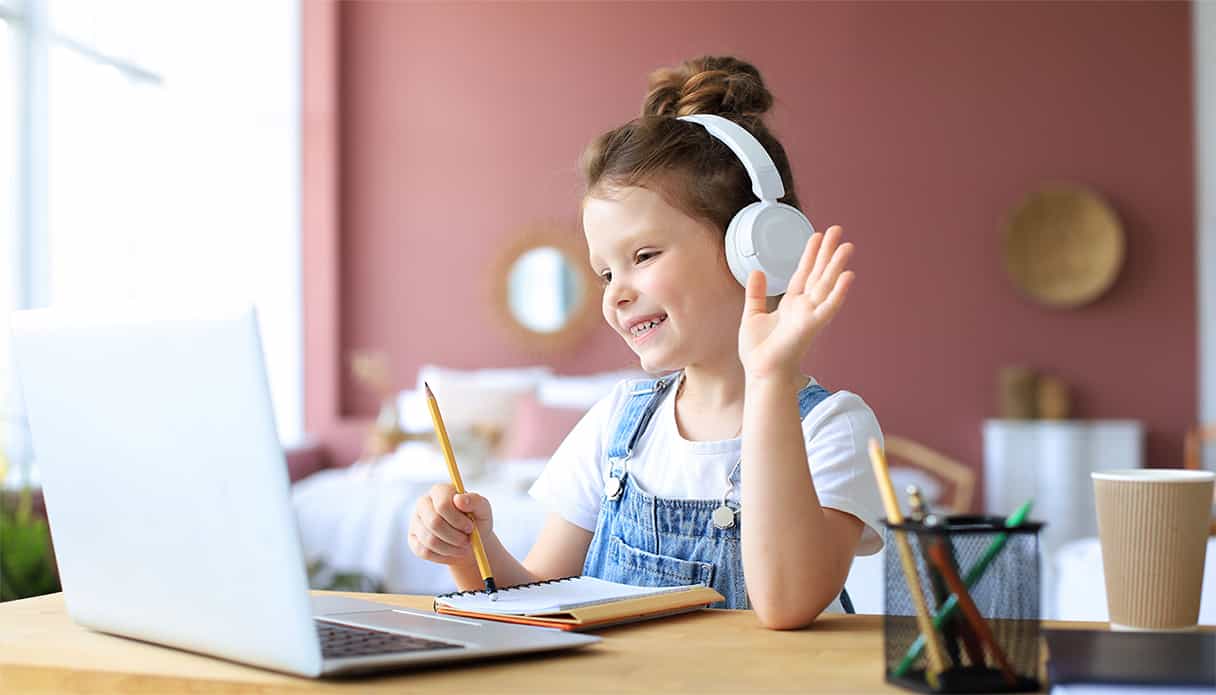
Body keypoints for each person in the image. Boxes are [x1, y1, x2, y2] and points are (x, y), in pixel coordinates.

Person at [408, 55, 885, 629]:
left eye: (643, 257)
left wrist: (769, 377)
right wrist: (469, 553)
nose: (616, 294)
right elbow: (542, 599)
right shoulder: (617, 425)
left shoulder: (831, 427)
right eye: (606, 273)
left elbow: (786, 603)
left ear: (753, 248)